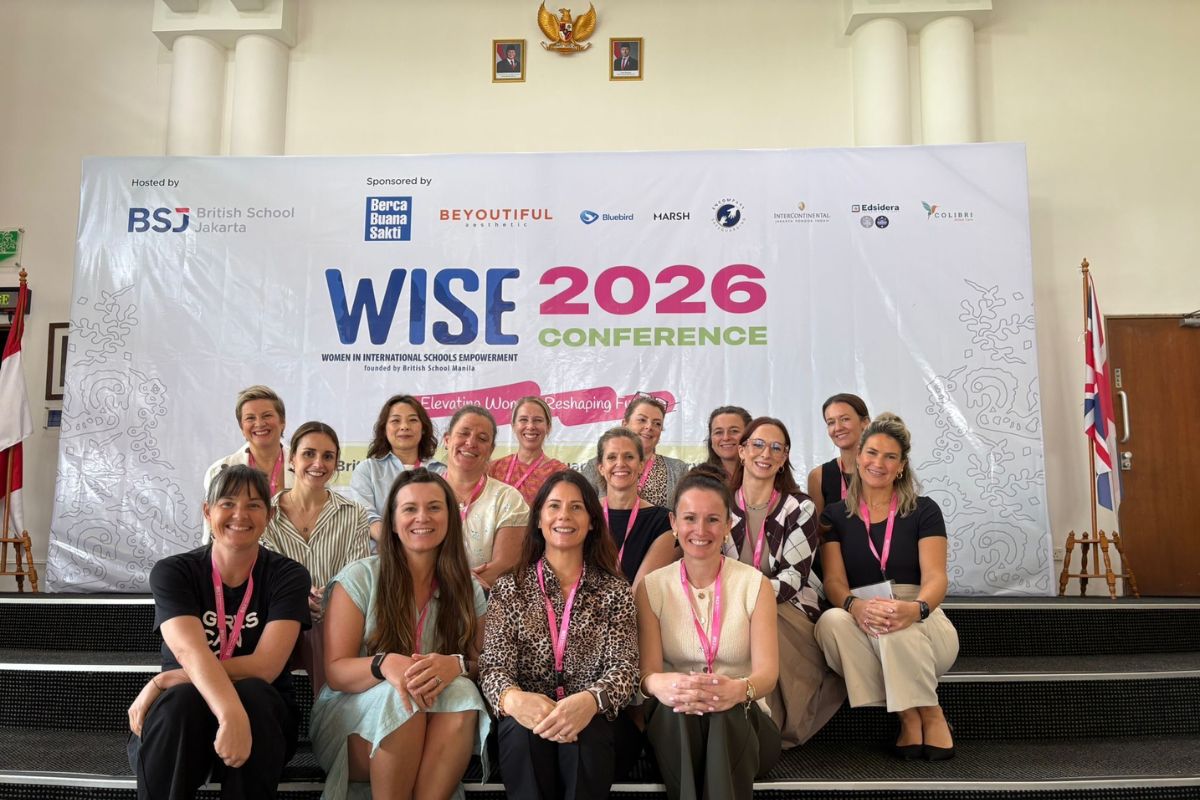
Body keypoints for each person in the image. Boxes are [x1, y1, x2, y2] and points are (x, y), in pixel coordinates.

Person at [127, 465, 311, 800]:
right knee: (182, 700)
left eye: (253, 505)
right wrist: (229, 712)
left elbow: (265, 666)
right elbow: (190, 652)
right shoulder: (174, 572)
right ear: (207, 511)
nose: (240, 514)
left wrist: (167, 678)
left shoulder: (288, 576)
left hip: (261, 724)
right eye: (227, 503)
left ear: (269, 516)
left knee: (255, 692)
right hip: (183, 723)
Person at [310, 468, 489, 799]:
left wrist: (457, 665)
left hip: (435, 721)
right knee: (401, 696)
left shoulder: (468, 587)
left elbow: (485, 664)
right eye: (409, 508)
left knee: (463, 691)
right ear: (392, 522)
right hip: (352, 723)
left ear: (450, 518)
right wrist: (383, 665)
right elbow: (336, 673)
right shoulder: (359, 578)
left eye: (434, 507)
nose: (423, 517)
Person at [479, 470, 639, 800]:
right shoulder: (510, 588)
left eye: (576, 507)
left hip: (597, 723)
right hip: (527, 725)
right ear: (538, 519)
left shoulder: (614, 590)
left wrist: (590, 701)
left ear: (592, 521)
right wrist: (515, 700)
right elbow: (493, 667)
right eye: (554, 506)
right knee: (523, 734)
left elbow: (624, 670)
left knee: (585, 735)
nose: (564, 515)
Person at [815, 413, 959, 760]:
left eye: (890, 456)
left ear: (901, 466)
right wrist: (855, 606)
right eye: (872, 453)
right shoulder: (834, 515)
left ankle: (926, 712)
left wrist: (915, 609)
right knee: (831, 621)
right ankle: (911, 712)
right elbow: (834, 581)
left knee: (892, 619)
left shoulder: (924, 510)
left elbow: (936, 577)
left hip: (922, 617)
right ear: (858, 456)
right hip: (861, 613)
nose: (878, 463)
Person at [637, 465, 780, 800]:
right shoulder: (652, 587)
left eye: (713, 519)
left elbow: (767, 675)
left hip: (744, 725)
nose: (700, 530)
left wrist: (737, 690)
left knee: (724, 708)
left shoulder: (754, 585)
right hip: (676, 726)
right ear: (673, 523)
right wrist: (666, 686)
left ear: (728, 525)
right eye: (689, 518)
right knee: (679, 707)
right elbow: (647, 675)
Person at [726, 417, 845, 748]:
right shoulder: (720, 503)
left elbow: (794, 577)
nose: (766, 453)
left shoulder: (800, 507)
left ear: (784, 458)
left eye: (776, 448)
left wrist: (750, 603)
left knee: (767, 622)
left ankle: (770, 730)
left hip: (788, 608)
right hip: (728, 605)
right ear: (742, 451)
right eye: (758, 444)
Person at [262, 421, 371, 694]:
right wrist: (299, 600)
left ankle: (330, 713)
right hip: (276, 617)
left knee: (322, 627)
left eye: (328, 456)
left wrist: (326, 601)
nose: (318, 463)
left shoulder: (354, 514)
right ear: (292, 458)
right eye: (309, 453)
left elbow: (356, 577)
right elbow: (265, 577)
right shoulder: (265, 514)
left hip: (335, 619)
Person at [442, 404, 529, 589]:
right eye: (463, 433)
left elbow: (504, 567)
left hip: (484, 602)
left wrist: (448, 587)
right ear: (447, 440)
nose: (471, 443)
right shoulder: (422, 493)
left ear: (490, 450)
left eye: (482, 438)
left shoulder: (508, 499)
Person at [202, 385, 293, 541]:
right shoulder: (219, 471)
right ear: (242, 428)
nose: (259, 423)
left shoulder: (306, 467)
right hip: (239, 554)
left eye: (267, 415)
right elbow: (212, 533)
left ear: (282, 422)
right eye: (250, 418)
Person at [349, 394, 444, 542]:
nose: (404, 426)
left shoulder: (441, 471)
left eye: (412, 420)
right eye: (395, 421)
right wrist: (401, 547)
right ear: (384, 429)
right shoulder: (367, 470)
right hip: (382, 553)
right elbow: (367, 518)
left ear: (423, 428)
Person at [595, 427, 675, 590]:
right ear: (601, 467)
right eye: (611, 457)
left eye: (629, 457)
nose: (620, 463)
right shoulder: (585, 515)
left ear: (640, 465)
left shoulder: (662, 522)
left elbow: (641, 592)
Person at [581, 394, 687, 509]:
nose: (649, 427)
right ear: (625, 424)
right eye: (642, 420)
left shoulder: (678, 470)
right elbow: (582, 508)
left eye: (657, 423)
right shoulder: (594, 467)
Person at [488, 396, 569, 505]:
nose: (530, 426)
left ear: (548, 427)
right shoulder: (494, 469)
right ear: (513, 426)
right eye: (523, 420)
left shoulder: (559, 473)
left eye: (538, 420)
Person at [806, 393, 871, 523]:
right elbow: (818, 531)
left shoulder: (881, 470)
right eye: (831, 422)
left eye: (845, 419)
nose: (838, 428)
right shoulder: (818, 476)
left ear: (865, 423)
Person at [704, 405, 752, 479]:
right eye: (718, 432)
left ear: (750, 435)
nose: (726, 438)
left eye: (734, 431)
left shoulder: (766, 476)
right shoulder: (698, 479)